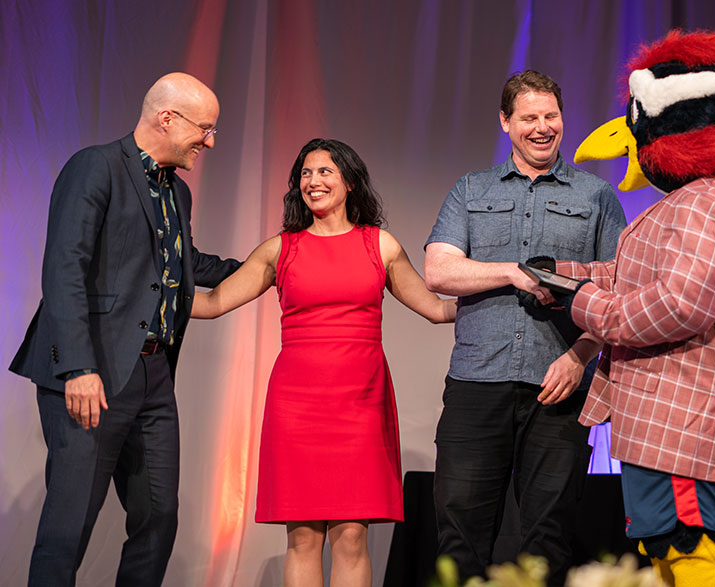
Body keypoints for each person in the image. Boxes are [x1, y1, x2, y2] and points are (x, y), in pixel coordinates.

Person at [546, 30, 715, 586]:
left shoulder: (706, 201)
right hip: (679, 424)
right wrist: (569, 277)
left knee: (692, 550)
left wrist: (587, 305)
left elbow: (679, 306)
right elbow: (655, 278)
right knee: (671, 552)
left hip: (680, 423)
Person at [9, 72, 242, 586]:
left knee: (158, 516)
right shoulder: (96, 168)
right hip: (91, 368)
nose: (208, 140)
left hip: (153, 374)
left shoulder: (175, 191)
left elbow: (183, 262)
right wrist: (78, 366)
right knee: (69, 526)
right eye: (204, 128)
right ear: (167, 118)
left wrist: (268, 266)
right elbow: (64, 268)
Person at [191, 138, 456, 587]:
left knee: (352, 536)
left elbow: (436, 308)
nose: (313, 181)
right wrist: (145, 293)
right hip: (297, 407)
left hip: (361, 403)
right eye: (306, 174)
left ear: (350, 182)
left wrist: (502, 292)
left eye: (325, 171)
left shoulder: (381, 245)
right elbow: (214, 302)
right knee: (303, 537)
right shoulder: (281, 249)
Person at [424, 70, 627, 585]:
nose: (542, 128)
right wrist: (513, 271)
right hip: (477, 383)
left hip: (559, 386)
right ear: (506, 122)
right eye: (529, 118)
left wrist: (580, 357)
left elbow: (620, 289)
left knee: (549, 535)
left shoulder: (596, 195)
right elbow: (439, 271)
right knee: (460, 531)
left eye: (551, 116)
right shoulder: (472, 189)